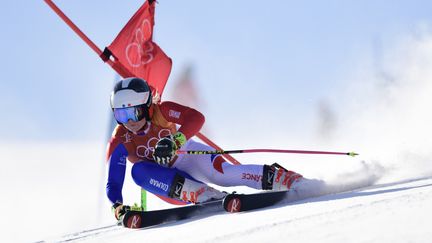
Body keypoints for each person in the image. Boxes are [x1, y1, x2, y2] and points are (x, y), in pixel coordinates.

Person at [106, 77, 304, 220]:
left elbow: (196, 118)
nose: (129, 122)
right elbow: (113, 180)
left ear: (148, 107)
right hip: (169, 184)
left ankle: (281, 178)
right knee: (138, 171)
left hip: (187, 155)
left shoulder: (162, 111)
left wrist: (175, 140)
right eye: (121, 116)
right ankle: (204, 195)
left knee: (223, 175)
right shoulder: (122, 137)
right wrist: (117, 205)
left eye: (133, 113)